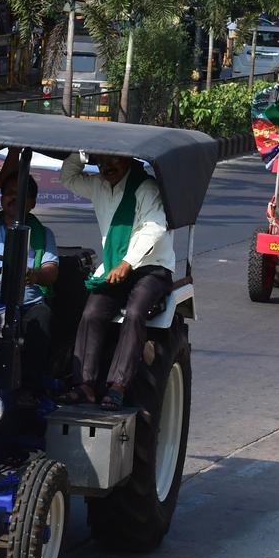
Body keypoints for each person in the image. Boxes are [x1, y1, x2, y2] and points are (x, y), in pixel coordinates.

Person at [58, 152, 173, 411]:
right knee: (91, 313)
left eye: (113, 160)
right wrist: (81, 151)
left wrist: (127, 262)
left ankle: (118, 386)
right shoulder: (99, 185)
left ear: (128, 160)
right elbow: (68, 177)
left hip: (150, 268)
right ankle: (84, 384)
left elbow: (154, 227)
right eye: (100, 161)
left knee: (134, 313)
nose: (106, 166)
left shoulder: (146, 188)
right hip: (115, 267)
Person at [0, 173, 58, 392]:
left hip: (27, 303)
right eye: (9, 193)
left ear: (32, 203)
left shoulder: (44, 235)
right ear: (1, 199)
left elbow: (51, 271)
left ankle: (29, 390)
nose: (14, 199)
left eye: (21, 195)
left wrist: (35, 275)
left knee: (41, 318)